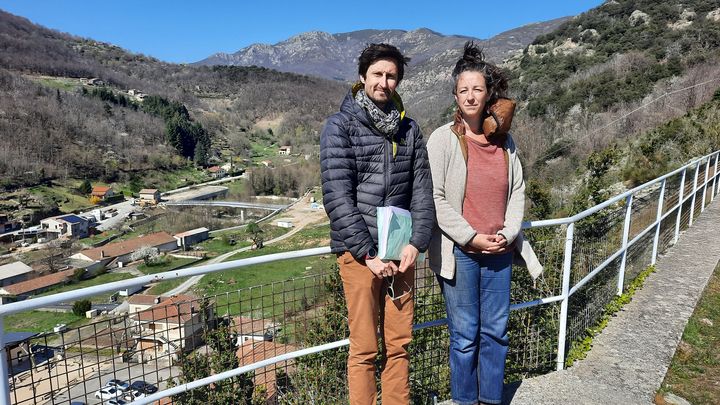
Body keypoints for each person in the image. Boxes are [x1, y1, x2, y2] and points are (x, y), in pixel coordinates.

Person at [426, 42, 543, 405]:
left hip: (500, 251)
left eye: (477, 89)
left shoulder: (506, 143)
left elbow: (518, 191)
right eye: (464, 90)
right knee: (464, 337)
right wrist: (472, 237)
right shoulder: (442, 140)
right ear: (455, 95)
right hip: (461, 252)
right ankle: (465, 401)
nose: (471, 96)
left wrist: (507, 234)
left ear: (488, 92)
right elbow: (436, 199)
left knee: (496, 332)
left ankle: (490, 400)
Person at [320, 43, 435, 405]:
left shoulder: (409, 130)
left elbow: (422, 191)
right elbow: (337, 197)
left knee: (399, 345)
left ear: (398, 81)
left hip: (401, 254)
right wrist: (368, 253)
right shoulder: (340, 127)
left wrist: (416, 243)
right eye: (377, 75)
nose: (384, 82)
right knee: (365, 348)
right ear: (362, 77)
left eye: (391, 76)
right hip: (359, 257)